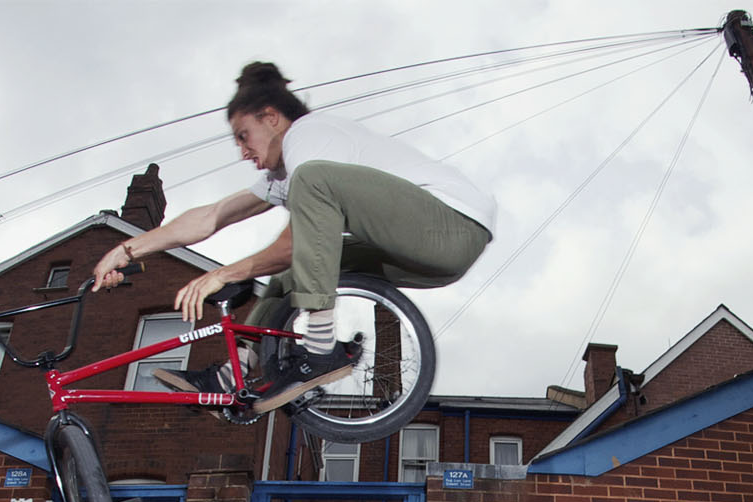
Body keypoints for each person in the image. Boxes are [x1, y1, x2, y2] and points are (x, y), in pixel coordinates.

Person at [91, 62, 496, 414]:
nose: (242, 152)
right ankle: (234, 375)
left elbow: (293, 242)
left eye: (243, 136)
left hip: (452, 225)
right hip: (423, 255)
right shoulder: (282, 177)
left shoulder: (309, 134)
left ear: (271, 118)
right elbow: (211, 216)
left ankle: (320, 348)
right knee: (289, 277)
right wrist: (127, 249)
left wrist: (223, 274)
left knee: (311, 187)